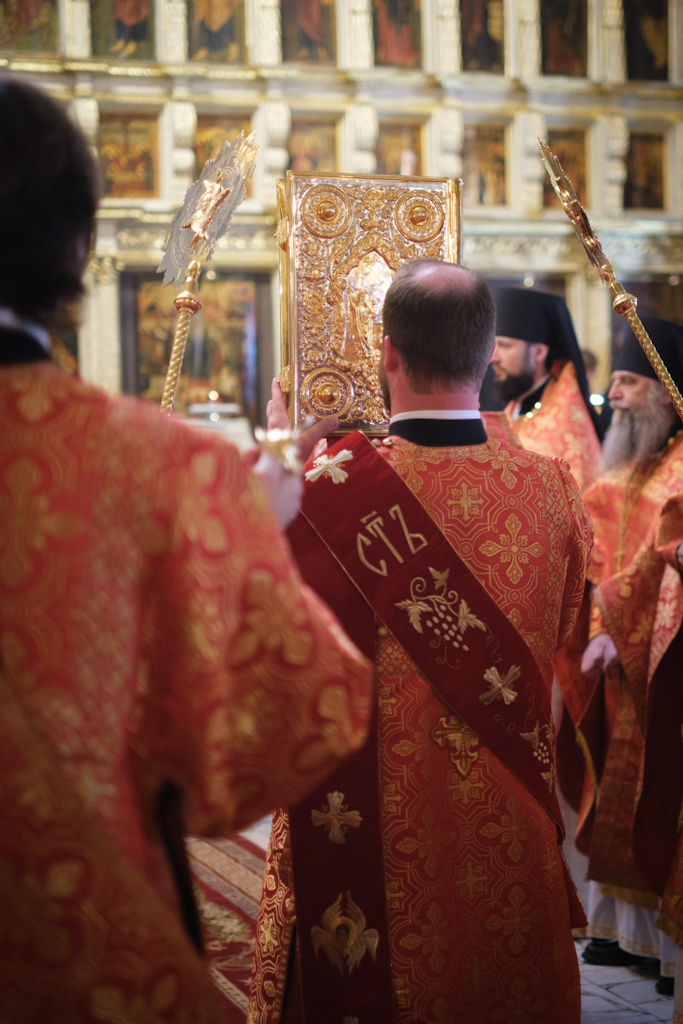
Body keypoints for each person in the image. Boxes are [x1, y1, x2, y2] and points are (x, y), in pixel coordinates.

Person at [0, 76, 373, 1019]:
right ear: (78, 250)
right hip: (88, 951)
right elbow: (297, 720)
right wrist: (240, 541)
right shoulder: (169, 469)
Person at [248, 259, 593, 1024]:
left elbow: (254, 635)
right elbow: (565, 629)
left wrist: (278, 453)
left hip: (369, 845)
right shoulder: (553, 491)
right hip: (506, 830)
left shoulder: (316, 488)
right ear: (485, 355)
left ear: (388, 353)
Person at [556, 314, 683, 996]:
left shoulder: (681, 472)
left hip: (662, 661)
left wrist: (615, 625)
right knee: (607, 787)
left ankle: (662, 944)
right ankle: (615, 929)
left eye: (631, 382)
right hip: (610, 662)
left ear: (666, 392)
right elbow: (594, 562)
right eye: (618, 382)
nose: (618, 397)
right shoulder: (617, 474)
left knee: (656, 789)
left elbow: (660, 563)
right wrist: (593, 624)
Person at [488, 287, 603, 493]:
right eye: (493, 346)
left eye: (505, 346)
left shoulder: (567, 423)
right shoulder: (515, 404)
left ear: (539, 352)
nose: (494, 358)